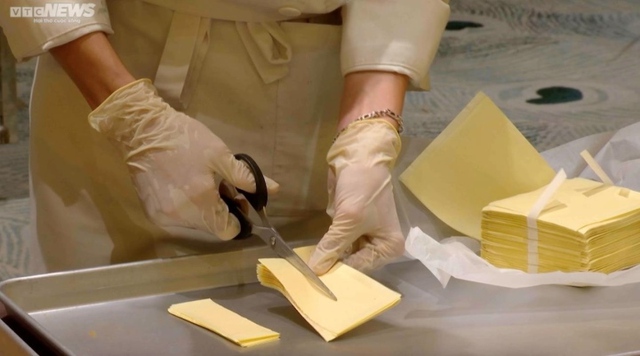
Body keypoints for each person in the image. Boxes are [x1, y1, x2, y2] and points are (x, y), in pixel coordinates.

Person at [0, 0, 450, 276]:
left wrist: (369, 125)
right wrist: (131, 116)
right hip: (118, 64)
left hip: (325, 77)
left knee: (311, 297)